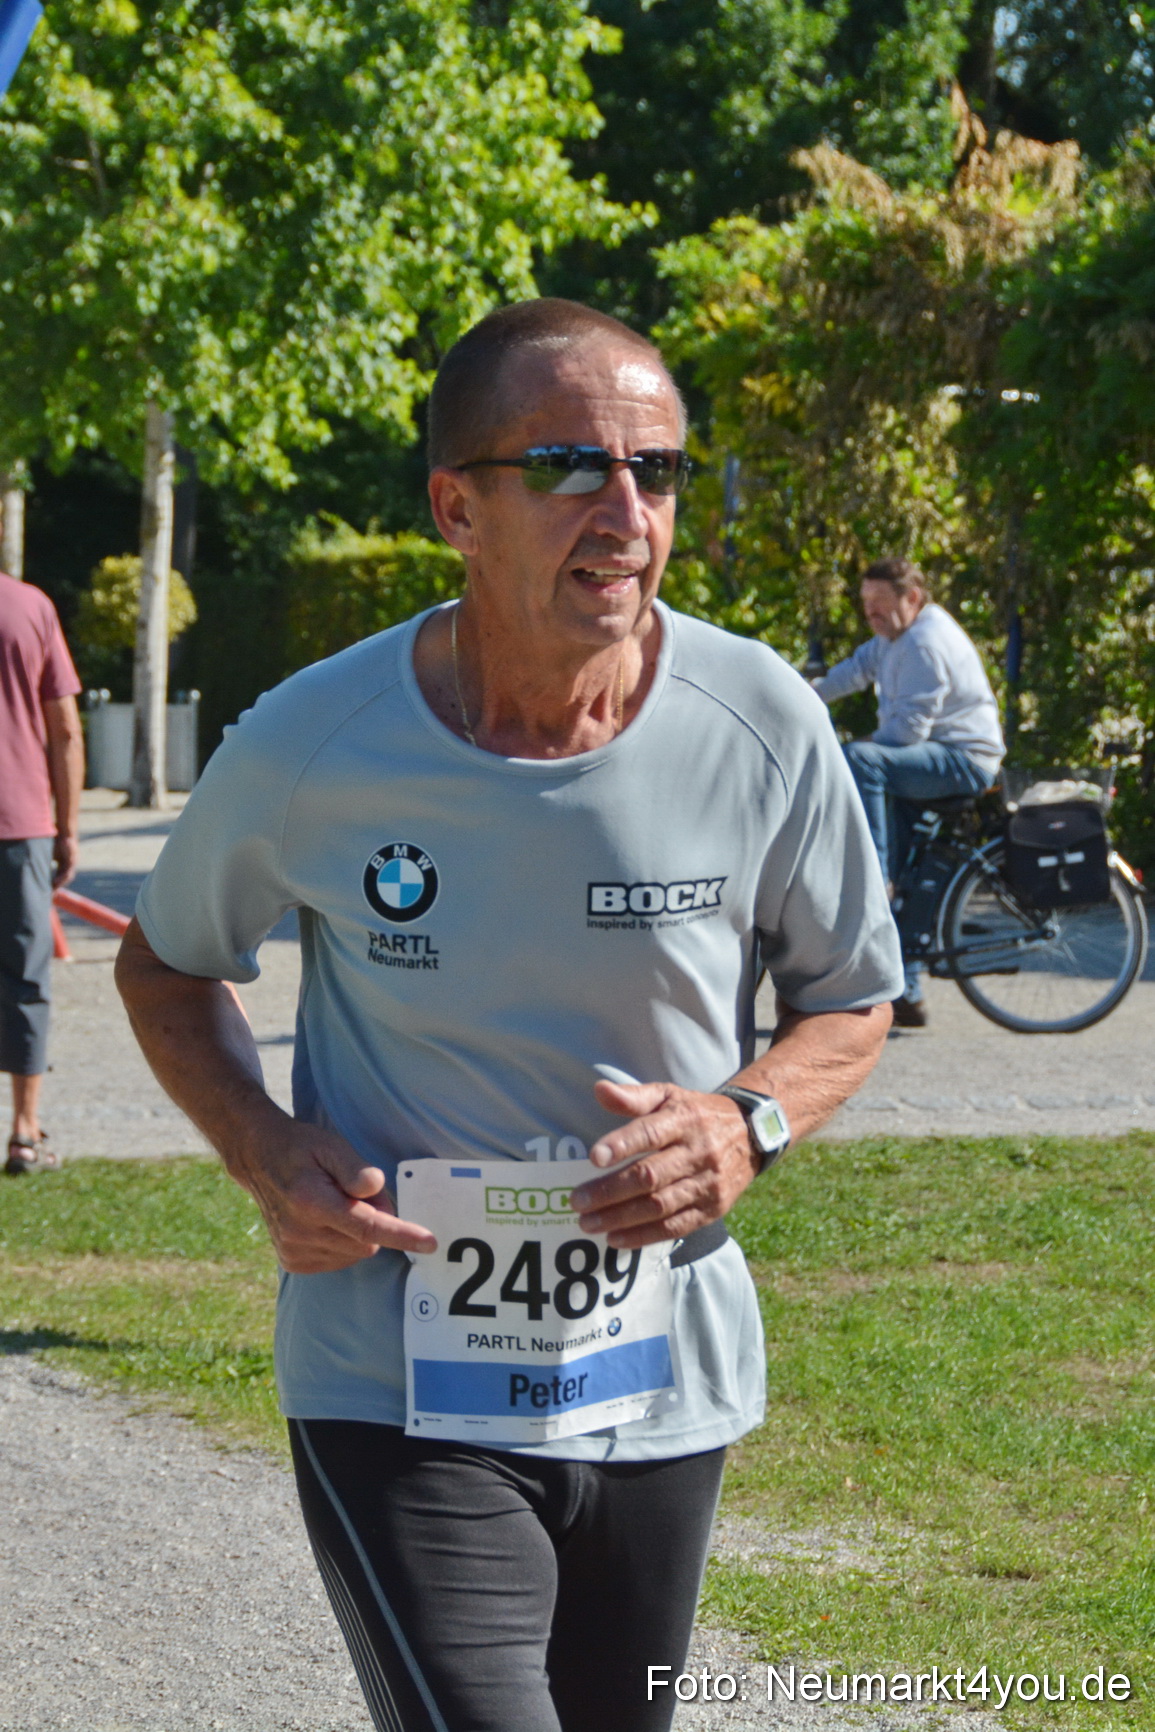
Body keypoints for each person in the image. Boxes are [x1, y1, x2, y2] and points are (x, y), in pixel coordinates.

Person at [115, 298, 903, 1732]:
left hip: (656, 1373)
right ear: (451, 507)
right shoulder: (311, 744)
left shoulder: (759, 720)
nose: (624, 509)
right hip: (392, 1377)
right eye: (566, 465)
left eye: (654, 471)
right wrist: (263, 1146)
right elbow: (167, 965)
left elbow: (852, 998)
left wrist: (746, 1119)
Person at [814, 556, 1005, 1028]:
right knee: (911, 867)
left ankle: (875, 876)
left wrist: (852, 748)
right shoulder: (891, 638)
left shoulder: (925, 642)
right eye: (865, 604)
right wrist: (795, 697)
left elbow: (904, 737)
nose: (870, 615)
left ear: (912, 598)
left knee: (862, 761)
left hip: (963, 761)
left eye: (880, 604)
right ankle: (908, 995)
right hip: (930, 759)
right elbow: (850, 673)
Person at [1, 568, 84, 1175]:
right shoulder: (30, 607)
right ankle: (24, 1133)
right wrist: (69, 828)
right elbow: (65, 730)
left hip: (21, 821)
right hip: (19, 823)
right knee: (25, 978)